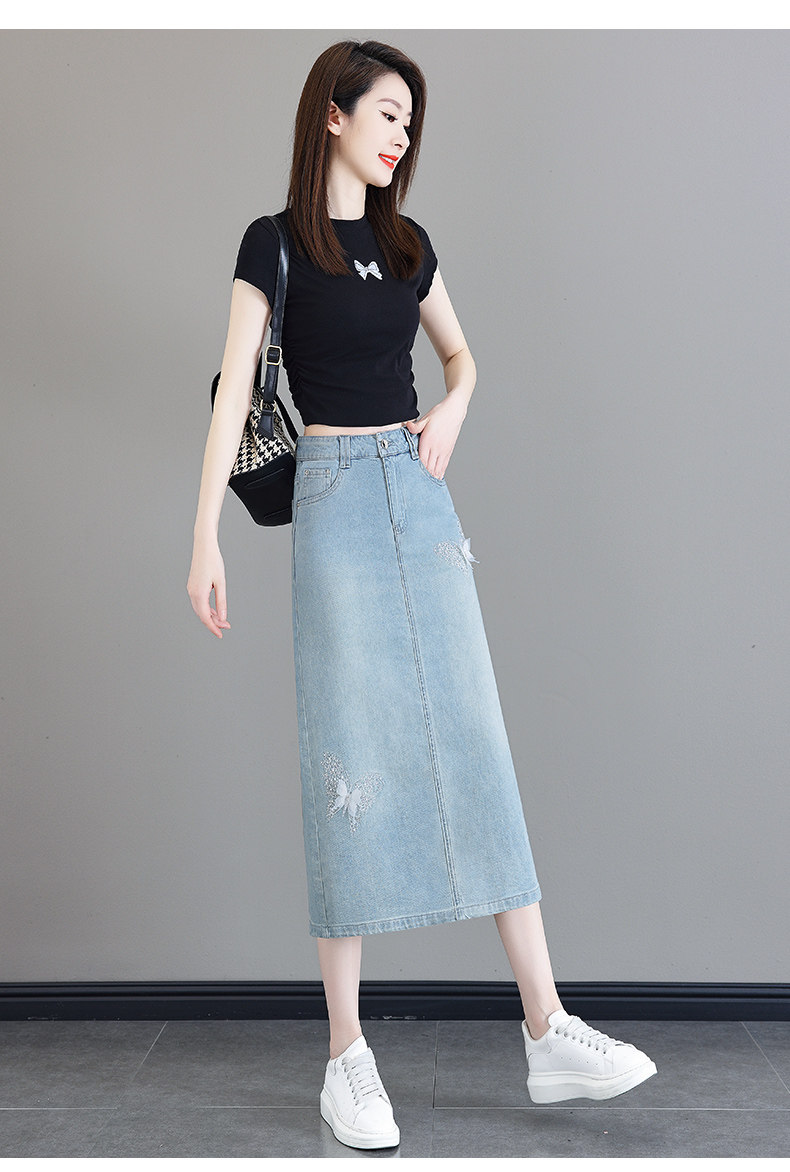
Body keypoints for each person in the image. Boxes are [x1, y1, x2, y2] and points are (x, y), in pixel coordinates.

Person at [187, 39, 657, 1153]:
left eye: (411, 120)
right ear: (334, 115)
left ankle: (546, 1027)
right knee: (347, 761)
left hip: (420, 494)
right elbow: (235, 391)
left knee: (475, 744)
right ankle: (346, 1056)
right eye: (388, 113)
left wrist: (454, 405)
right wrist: (201, 534)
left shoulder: (407, 243)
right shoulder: (273, 242)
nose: (402, 135)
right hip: (335, 498)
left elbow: (464, 360)